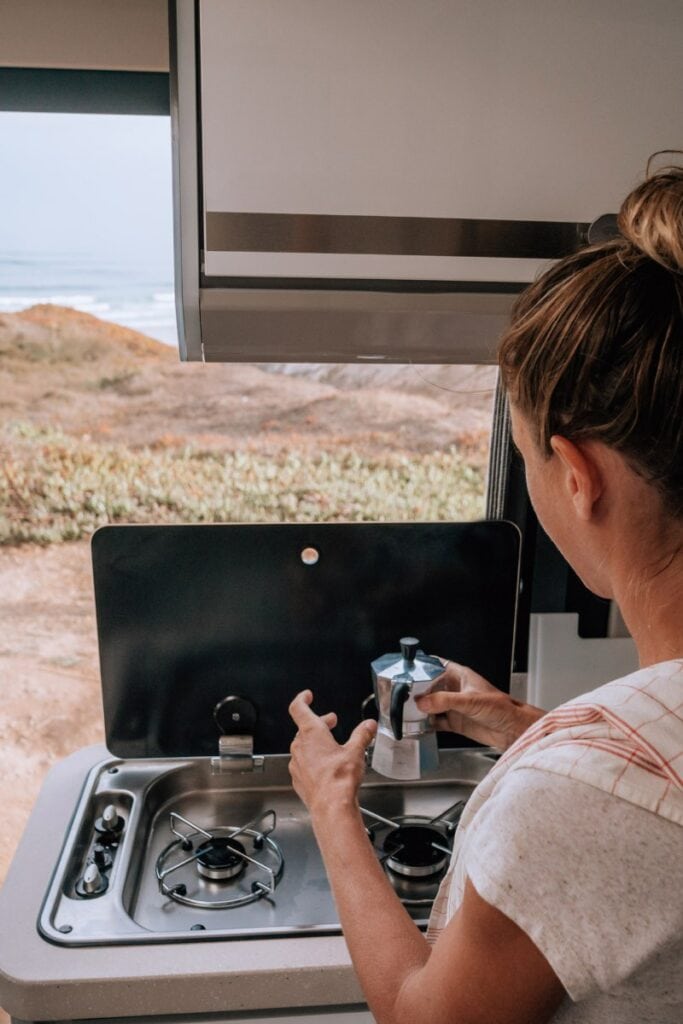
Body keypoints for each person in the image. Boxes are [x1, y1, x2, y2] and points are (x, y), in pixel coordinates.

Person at [288, 158, 683, 1024]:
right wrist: (517, 721)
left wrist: (329, 809)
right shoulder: (605, 774)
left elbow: (422, 1015)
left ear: (576, 475)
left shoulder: (570, 803)